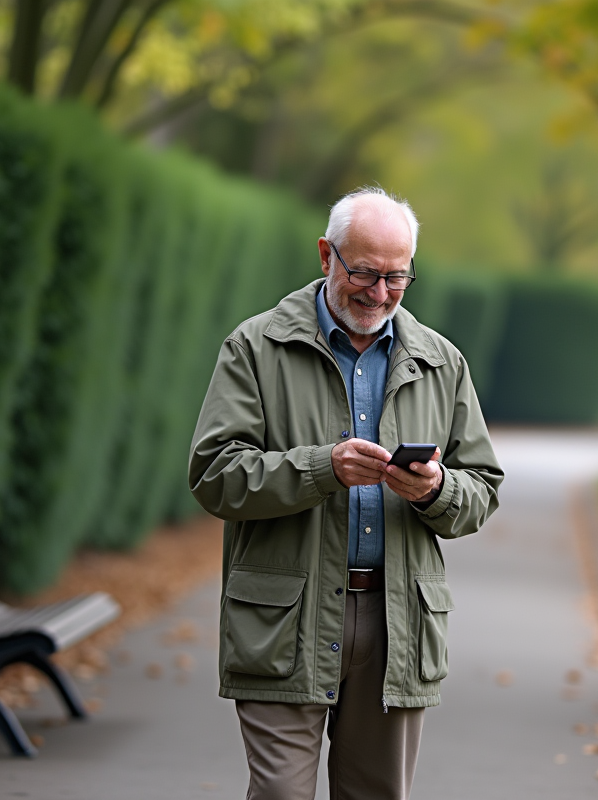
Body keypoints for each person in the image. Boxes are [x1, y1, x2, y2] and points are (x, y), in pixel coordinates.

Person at [188, 186, 503, 800]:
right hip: (284, 617)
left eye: (396, 278)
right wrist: (320, 468)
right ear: (326, 254)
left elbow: (482, 489)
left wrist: (435, 489)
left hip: (397, 624)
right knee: (280, 793)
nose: (379, 293)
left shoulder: (443, 362)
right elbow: (215, 476)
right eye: (363, 272)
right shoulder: (254, 347)